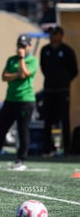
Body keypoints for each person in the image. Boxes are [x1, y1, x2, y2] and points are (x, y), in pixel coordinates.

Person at [0, 34, 38, 171]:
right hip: (10, 100)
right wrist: (16, 75)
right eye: (19, 45)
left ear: (29, 46)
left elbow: (24, 74)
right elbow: (4, 77)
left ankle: (20, 160)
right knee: (1, 130)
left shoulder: (32, 60)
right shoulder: (11, 60)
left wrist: (22, 58)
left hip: (25, 100)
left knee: (22, 131)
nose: (20, 48)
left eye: (23, 46)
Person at [40, 26, 78, 157]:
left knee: (64, 120)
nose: (52, 36)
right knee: (48, 121)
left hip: (62, 91)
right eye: (51, 33)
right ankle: (47, 149)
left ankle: (66, 149)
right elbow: (43, 68)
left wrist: (64, 81)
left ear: (61, 35)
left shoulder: (67, 51)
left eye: (55, 33)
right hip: (49, 90)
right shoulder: (45, 50)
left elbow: (74, 71)